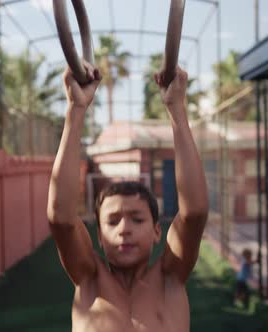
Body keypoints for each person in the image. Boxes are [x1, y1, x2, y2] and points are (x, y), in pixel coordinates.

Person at [47, 61, 208, 332]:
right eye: (112, 221)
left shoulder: (170, 279)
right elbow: (61, 220)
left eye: (136, 219)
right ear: (98, 235)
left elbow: (194, 213)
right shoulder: (90, 281)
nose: (124, 230)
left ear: (158, 231)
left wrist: (177, 109)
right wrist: (75, 110)